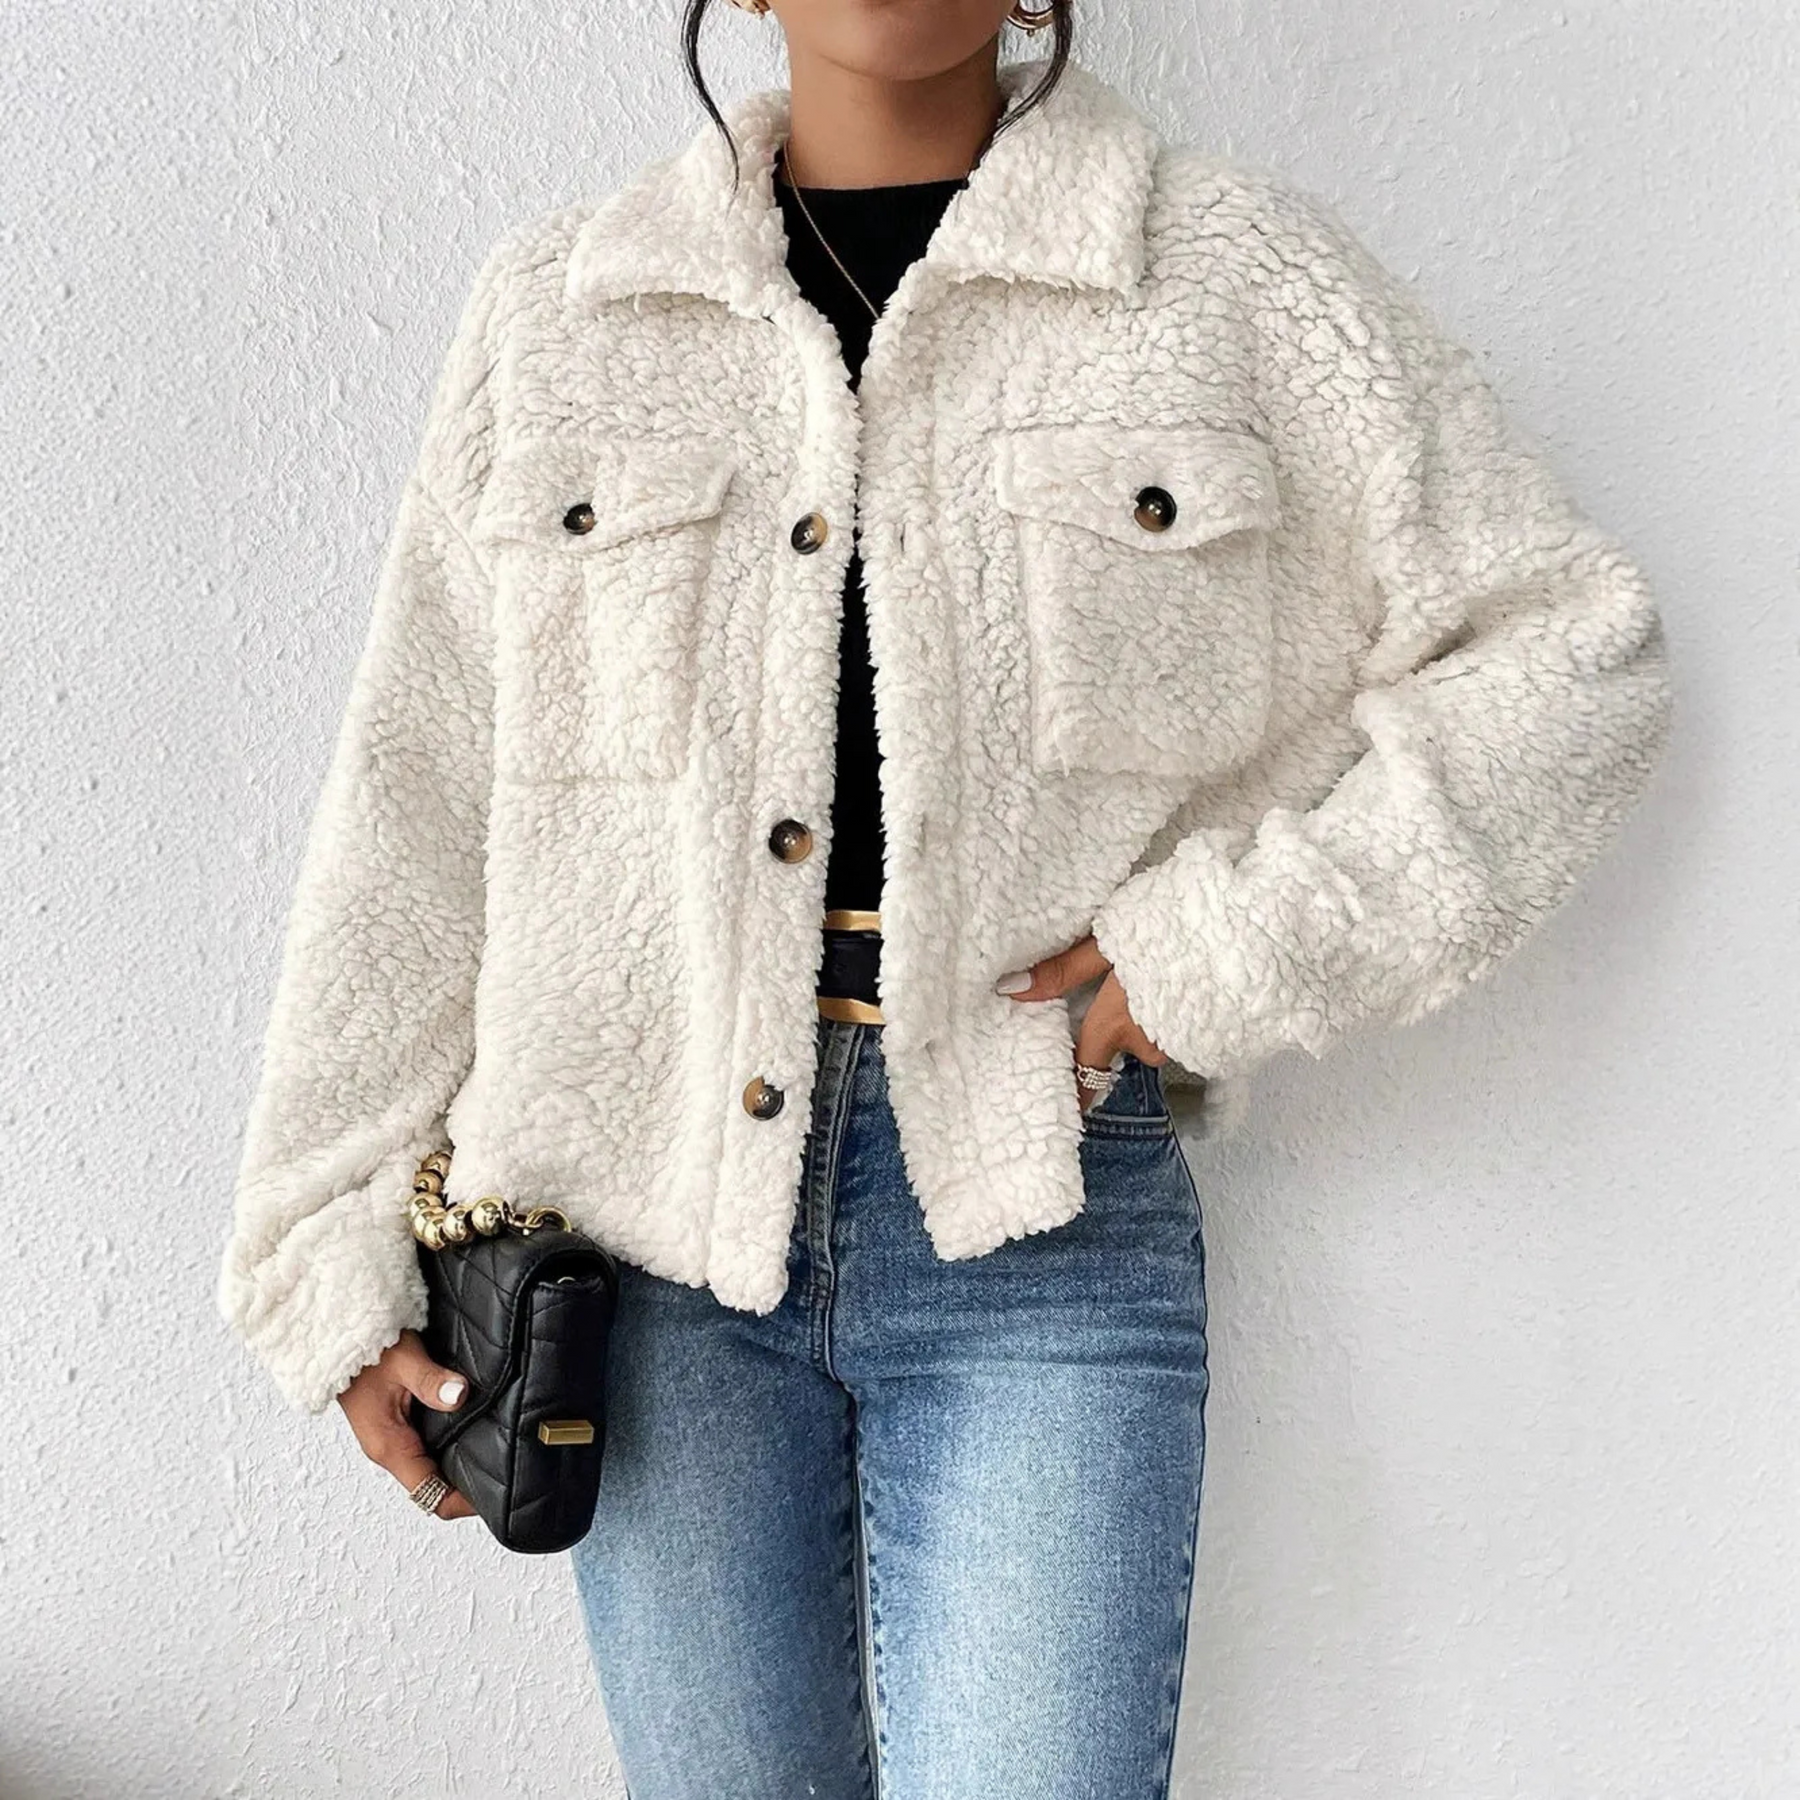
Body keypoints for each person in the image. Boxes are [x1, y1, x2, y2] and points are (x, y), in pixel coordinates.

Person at [217, 4, 1674, 1794]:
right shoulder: (569, 314)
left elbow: (1565, 655)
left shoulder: (1223, 281)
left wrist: (1220, 949)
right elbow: (418, 797)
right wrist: (326, 1243)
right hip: (639, 1236)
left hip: (1037, 1214)